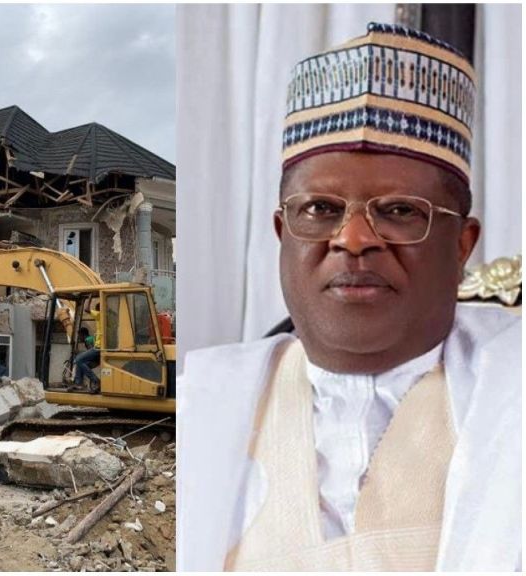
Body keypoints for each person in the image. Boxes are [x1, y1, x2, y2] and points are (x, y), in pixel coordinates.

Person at [179, 24, 520, 571]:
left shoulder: (512, 385)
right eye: (319, 210)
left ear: (462, 245)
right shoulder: (203, 401)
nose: (354, 239)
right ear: (281, 232)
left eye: (400, 210)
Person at [73, 302, 103, 391]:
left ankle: (95, 380)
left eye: (79, 336)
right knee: (81, 363)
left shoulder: (88, 340)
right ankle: (78, 384)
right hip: (98, 354)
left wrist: (89, 298)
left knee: (78, 359)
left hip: (98, 353)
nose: (79, 338)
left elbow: (91, 351)